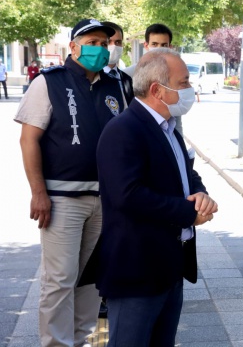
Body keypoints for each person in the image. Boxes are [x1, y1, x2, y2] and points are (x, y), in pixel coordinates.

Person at [95, 48, 218, 346]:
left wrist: (200, 195)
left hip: (169, 265)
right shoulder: (124, 130)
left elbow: (185, 171)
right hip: (137, 269)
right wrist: (188, 213)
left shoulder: (169, 127)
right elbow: (129, 195)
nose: (190, 89)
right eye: (184, 82)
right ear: (156, 90)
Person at [14, 18, 125, 346]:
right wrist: (38, 193)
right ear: (73, 47)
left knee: (91, 279)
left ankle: (79, 340)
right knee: (60, 280)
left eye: (104, 44)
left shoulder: (116, 86)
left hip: (105, 200)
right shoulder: (49, 83)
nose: (100, 49)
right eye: (92, 43)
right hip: (62, 199)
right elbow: (29, 140)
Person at [123, 23, 183, 134]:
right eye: (154, 44)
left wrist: (179, 140)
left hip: (166, 134)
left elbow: (176, 116)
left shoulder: (174, 76)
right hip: (137, 134)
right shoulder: (128, 75)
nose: (159, 49)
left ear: (170, 47)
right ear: (146, 45)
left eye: (164, 45)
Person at [101, 21, 134, 106]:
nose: (114, 46)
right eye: (108, 41)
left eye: (118, 42)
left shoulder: (127, 79)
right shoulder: (91, 77)